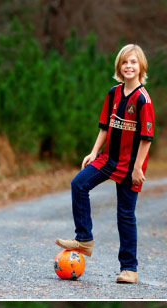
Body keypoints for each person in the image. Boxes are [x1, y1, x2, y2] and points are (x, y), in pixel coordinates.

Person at [56, 44, 156, 284]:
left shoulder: (144, 100)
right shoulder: (113, 93)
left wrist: (137, 168)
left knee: (125, 215)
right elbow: (105, 126)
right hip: (108, 159)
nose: (128, 66)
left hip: (131, 165)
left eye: (133, 62)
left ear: (141, 66)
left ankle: (129, 269)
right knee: (79, 184)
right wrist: (93, 152)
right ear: (119, 67)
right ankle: (84, 239)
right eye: (124, 62)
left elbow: (146, 138)